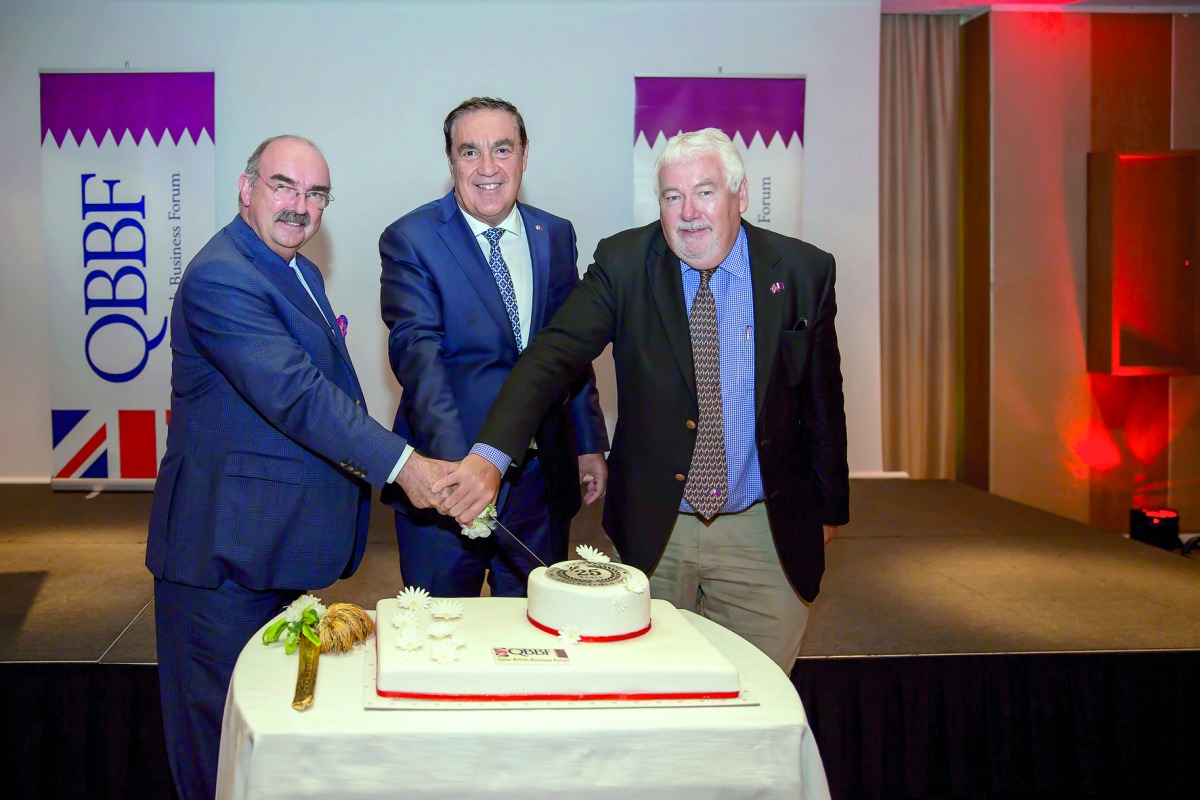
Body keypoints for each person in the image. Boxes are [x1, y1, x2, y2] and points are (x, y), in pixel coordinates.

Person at [438, 128, 849, 673]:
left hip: (764, 531)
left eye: (705, 192)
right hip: (659, 528)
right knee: (649, 695)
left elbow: (824, 400)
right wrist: (490, 455)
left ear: (740, 195)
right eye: (671, 197)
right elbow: (550, 358)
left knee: (755, 700)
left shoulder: (802, 272)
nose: (688, 213)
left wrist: (829, 506)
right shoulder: (625, 263)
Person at [146, 134, 453, 800]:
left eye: (315, 193)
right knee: (220, 752)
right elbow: (297, 395)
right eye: (283, 185)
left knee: (270, 746)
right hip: (221, 561)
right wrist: (402, 464)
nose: (299, 206)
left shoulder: (297, 270)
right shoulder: (222, 275)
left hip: (277, 553)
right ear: (246, 186)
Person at [379, 97, 609, 597]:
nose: (487, 168)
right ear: (450, 161)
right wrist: (466, 475)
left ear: (525, 155)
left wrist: (588, 441)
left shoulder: (555, 234)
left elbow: (570, 347)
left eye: (502, 149)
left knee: (536, 644)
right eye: (469, 152)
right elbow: (420, 361)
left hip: (539, 482)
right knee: (440, 645)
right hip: (447, 482)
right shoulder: (412, 238)